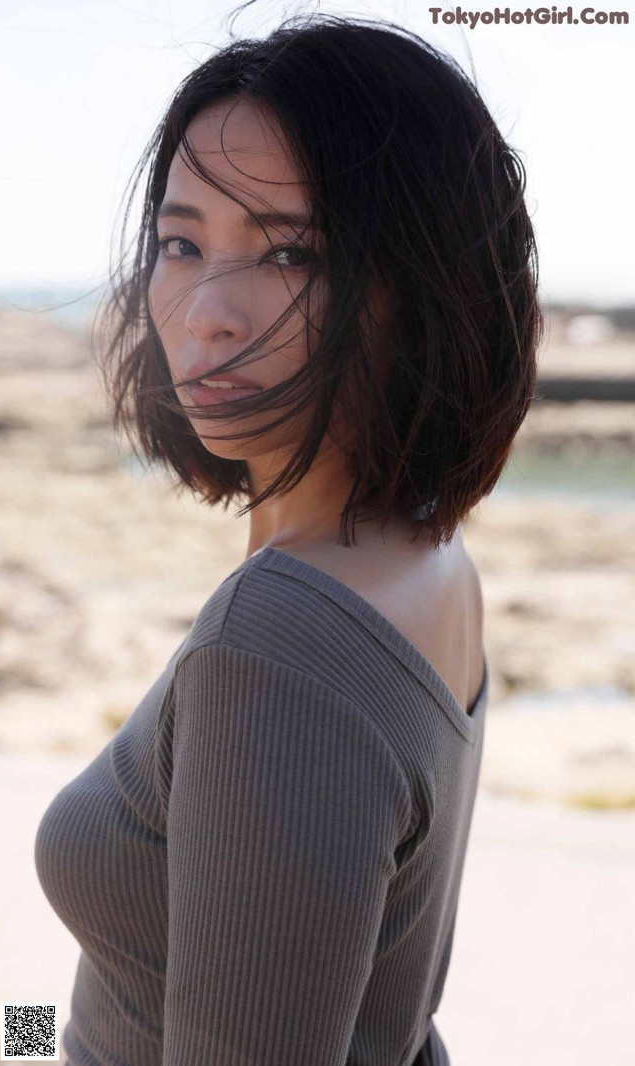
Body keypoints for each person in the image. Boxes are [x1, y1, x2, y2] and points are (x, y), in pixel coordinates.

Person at [34, 8, 543, 1065]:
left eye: (291, 253)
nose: (206, 313)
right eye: (181, 244)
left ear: (418, 287)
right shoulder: (424, 553)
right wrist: (18, 1037)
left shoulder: (275, 642)